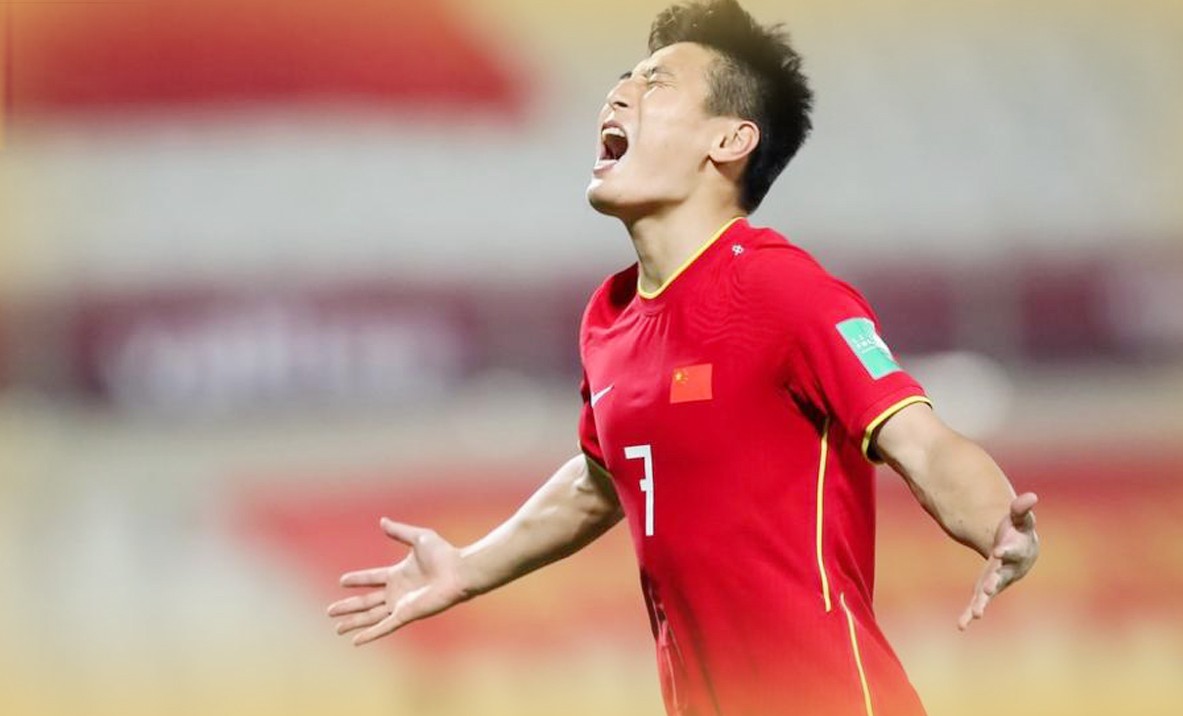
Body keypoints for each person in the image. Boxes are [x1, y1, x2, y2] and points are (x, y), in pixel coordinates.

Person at [327, 1, 1040, 713]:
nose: (619, 95)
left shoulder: (783, 289)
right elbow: (604, 477)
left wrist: (995, 523)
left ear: (729, 139)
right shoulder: (610, 317)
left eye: (656, 83)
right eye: (623, 80)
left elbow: (921, 440)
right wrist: (467, 568)